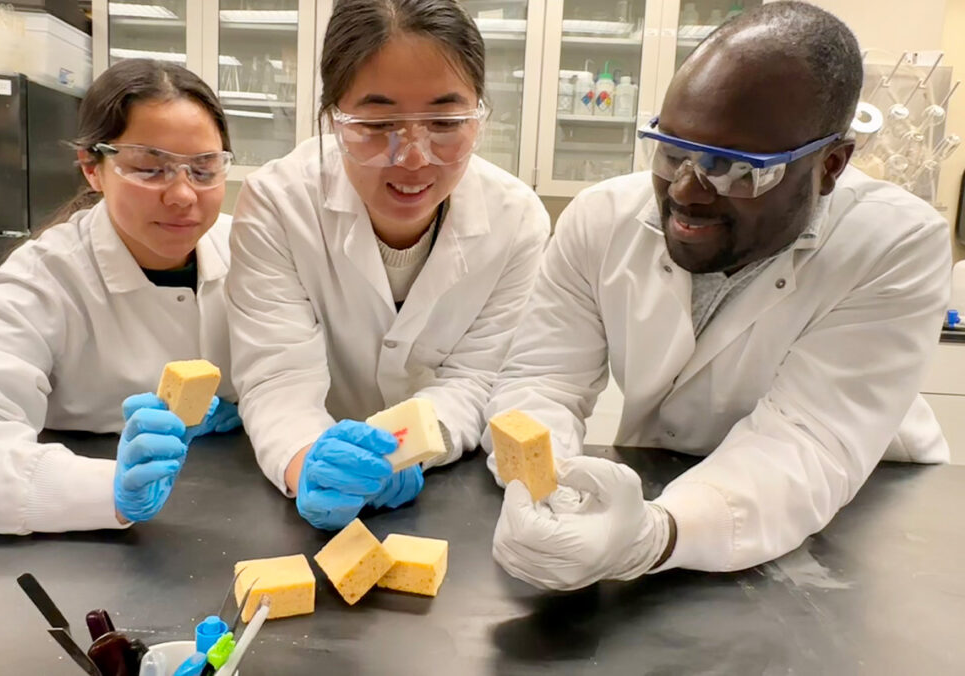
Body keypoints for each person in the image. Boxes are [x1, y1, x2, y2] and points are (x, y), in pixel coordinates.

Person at [485, 2, 951, 590]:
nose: (686, 191)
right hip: (663, 488)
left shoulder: (894, 243)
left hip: (857, 511)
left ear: (830, 165)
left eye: (735, 169)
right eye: (672, 151)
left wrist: (653, 537)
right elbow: (543, 381)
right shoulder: (601, 218)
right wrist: (546, 485)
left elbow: (807, 442)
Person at [227, 0, 550, 530]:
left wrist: (404, 451)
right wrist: (308, 461)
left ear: (478, 117)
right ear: (333, 120)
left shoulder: (516, 221)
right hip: (302, 479)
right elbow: (277, 375)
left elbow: (475, 378)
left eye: (446, 122)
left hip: (438, 491)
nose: (413, 157)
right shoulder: (278, 203)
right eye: (377, 124)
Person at [0, 59, 241, 535]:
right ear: (92, 168)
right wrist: (105, 489)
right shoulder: (45, 277)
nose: (183, 196)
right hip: (82, 536)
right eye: (150, 169)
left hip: (237, 506)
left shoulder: (250, 250)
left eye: (204, 171)